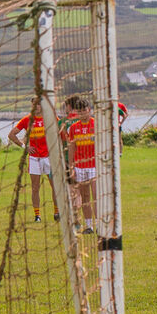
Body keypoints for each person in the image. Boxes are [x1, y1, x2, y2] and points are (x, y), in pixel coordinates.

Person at [7, 98, 58, 222]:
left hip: (49, 157)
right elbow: (11, 135)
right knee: (35, 187)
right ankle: (37, 216)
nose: (36, 107)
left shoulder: (50, 118)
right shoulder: (27, 120)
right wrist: (25, 147)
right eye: (34, 105)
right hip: (35, 159)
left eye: (38, 105)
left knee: (55, 186)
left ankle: (57, 212)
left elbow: (60, 131)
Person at [66, 99, 97, 234]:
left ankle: (100, 225)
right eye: (79, 112)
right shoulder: (73, 128)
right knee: (85, 196)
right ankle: (88, 226)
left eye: (84, 110)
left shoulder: (97, 124)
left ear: (89, 110)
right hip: (80, 166)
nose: (82, 113)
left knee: (96, 195)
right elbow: (72, 147)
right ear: (76, 113)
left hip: (94, 165)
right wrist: (71, 166)